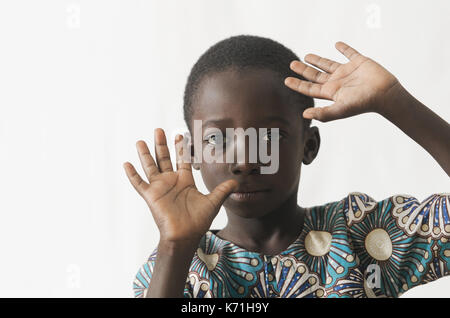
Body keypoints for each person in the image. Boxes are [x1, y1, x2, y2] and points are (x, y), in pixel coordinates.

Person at [124, 35, 450, 298]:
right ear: (192, 153)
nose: (245, 161)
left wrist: (395, 102)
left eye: (269, 136)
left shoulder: (361, 235)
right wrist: (176, 246)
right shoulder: (177, 266)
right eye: (218, 139)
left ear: (308, 146)